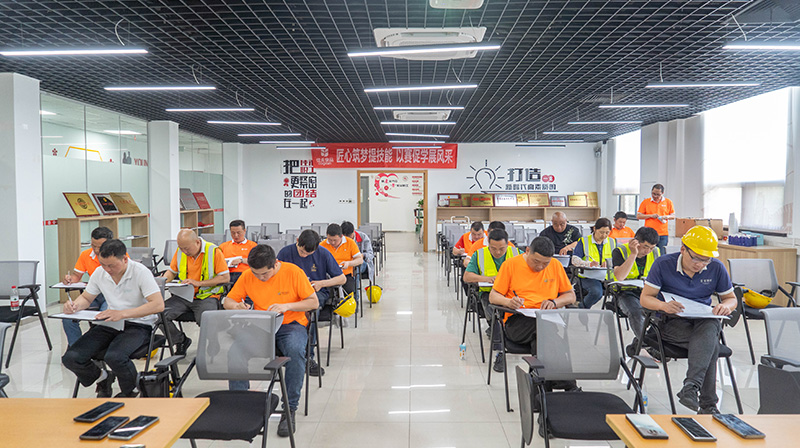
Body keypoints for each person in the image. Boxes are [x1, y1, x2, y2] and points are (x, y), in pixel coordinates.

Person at [223, 244, 318, 437]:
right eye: (256, 274)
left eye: (264, 274)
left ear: (275, 264)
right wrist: (236, 306)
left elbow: (313, 302)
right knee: (235, 351)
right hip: (261, 324)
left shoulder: (293, 272)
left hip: (290, 324)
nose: (260, 278)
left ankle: (289, 408)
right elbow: (228, 301)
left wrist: (287, 306)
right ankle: (241, 405)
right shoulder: (248, 275)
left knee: (295, 350)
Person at [640, 226, 736, 414]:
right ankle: (707, 404)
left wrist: (727, 306)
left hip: (702, 321)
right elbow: (645, 298)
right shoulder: (663, 264)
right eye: (696, 258)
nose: (700, 264)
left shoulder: (716, 267)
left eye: (706, 260)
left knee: (711, 325)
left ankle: (692, 387)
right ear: (683, 249)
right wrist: (663, 306)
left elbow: (731, 298)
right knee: (711, 345)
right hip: (670, 322)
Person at [61, 239, 165, 398]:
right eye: (103, 264)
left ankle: (131, 391)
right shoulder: (100, 273)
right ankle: (103, 377)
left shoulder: (140, 272)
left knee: (115, 357)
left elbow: (158, 305)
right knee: (71, 357)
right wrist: (74, 306)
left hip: (138, 324)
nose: (107, 269)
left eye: (111, 265)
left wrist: (122, 313)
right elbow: (87, 298)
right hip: (111, 323)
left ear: (125, 259)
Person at [489, 237, 577, 390]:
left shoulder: (555, 265)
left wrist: (555, 302)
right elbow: (493, 296)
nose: (540, 267)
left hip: (546, 320)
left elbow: (571, 296)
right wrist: (508, 302)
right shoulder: (510, 265)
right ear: (527, 251)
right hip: (518, 321)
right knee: (549, 335)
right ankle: (567, 384)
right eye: (536, 261)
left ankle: (541, 390)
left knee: (541, 342)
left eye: (545, 263)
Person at [277, 229, 345, 376]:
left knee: (312, 311)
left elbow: (342, 278)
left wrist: (322, 283)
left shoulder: (323, 253)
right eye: (302, 252)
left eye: (309, 254)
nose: (304, 255)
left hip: (315, 292)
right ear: (297, 241)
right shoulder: (285, 253)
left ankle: (308, 356)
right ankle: (285, 352)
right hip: (290, 294)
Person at [161, 229, 230, 355]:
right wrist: (163, 281)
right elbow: (172, 272)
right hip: (183, 295)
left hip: (207, 296)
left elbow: (225, 278)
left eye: (187, 248)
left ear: (197, 242)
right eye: (181, 248)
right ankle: (181, 340)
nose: (184, 251)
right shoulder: (181, 252)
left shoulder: (213, 251)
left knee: (206, 319)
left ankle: (212, 340)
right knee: (159, 315)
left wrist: (199, 283)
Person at [463, 228, 520, 373]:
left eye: (502, 248)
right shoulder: (480, 254)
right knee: (495, 313)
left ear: (507, 244)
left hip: (512, 295)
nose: (498, 252)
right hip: (488, 294)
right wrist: (486, 278)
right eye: (493, 248)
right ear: (488, 243)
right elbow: (467, 277)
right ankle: (500, 351)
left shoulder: (516, 253)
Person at [611, 226, 661, 354]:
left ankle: (639, 343)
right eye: (645, 247)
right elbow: (620, 276)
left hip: (648, 292)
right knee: (636, 312)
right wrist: (633, 254)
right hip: (625, 293)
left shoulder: (656, 252)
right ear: (635, 242)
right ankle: (650, 347)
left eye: (651, 248)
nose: (648, 251)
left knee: (663, 313)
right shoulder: (620, 251)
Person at [61, 226, 114, 346]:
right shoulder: (86, 255)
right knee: (68, 317)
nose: (96, 250)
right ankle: (76, 348)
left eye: (100, 247)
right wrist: (69, 279)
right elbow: (76, 276)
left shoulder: (119, 256)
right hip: (92, 294)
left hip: (111, 294)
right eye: (93, 246)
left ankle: (97, 348)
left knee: (103, 318)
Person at [571, 218, 617, 309]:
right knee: (596, 292)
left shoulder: (612, 242)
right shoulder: (584, 241)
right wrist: (588, 264)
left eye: (607, 232)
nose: (604, 235)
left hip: (607, 276)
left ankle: (581, 306)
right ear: (595, 229)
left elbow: (617, 260)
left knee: (621, 290)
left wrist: (608, 262)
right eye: (601, 232)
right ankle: (582, 308)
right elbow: (574, 259)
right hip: (589, 276)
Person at [319, 223, 363, 296]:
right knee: (326, 293)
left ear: (341, 236)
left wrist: (348, 263)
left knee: (349, 291)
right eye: (330, 240)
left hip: (346, 275)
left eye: (335, 240)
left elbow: (360, 260)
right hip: (328, 276)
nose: (332, 242)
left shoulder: (350, 242)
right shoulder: (322, 245)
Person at [218, 220, 257, 284]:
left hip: (245, 274)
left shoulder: (252, 245)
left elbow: (257, 262)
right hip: (227, 274)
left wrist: (241, 260)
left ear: (244, 231)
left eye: (239, 233)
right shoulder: (223, 246)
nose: (236, 235)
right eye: (233, 233)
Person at [637, 183, 675, 250]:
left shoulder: (668, 202)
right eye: (653, 194)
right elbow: (639, 216)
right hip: (649, 233)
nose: (655, 196)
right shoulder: (646, 202)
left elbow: (673, 216)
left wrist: (666, 217)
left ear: (662, 193)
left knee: (661, 253)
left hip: (663, 234)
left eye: (658, 194)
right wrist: (650, 216)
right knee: (648, 252)